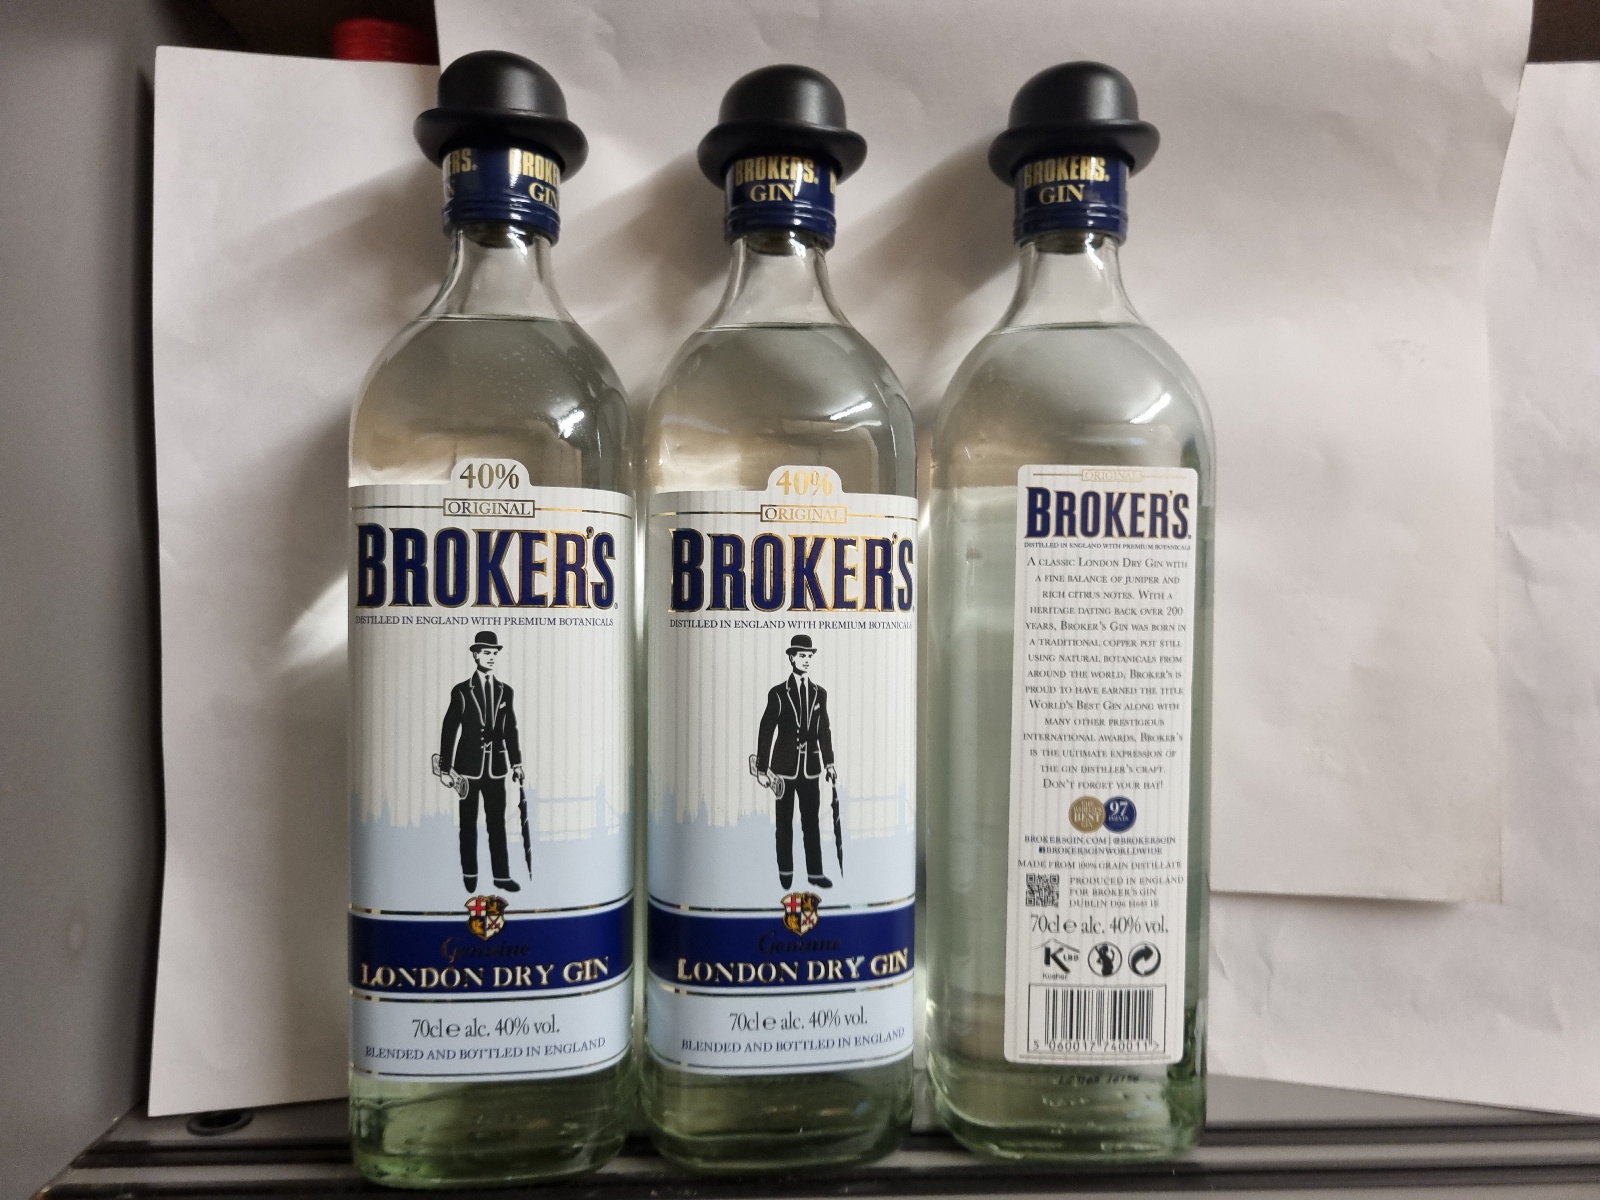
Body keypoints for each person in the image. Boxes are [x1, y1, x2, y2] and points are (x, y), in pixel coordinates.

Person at [437, 631, 524, 892]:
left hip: (496, 769)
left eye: (494, 653)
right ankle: (469, 874)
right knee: (468, 824)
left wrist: (516, 764)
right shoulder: (462, 691)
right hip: (467, 770)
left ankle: (501, 876)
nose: (491, 657)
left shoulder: (505, 691)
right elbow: (449, 729)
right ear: (476, 655)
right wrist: (445, 769)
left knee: (497, 824)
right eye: (486, 652)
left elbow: (510, 729)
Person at [755, 634, 836, 889]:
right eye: (802, 655)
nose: (806, 660)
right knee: (784, 823)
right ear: (791, 658)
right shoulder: (779, 694)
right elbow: (766, 730)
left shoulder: (819, 694)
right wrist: (762, 769)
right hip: (783, 770)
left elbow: (824, 730)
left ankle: (815, 873)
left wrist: (829, 764)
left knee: (811, 822)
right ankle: (786, 872)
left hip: (811, 768)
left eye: (809, 656)